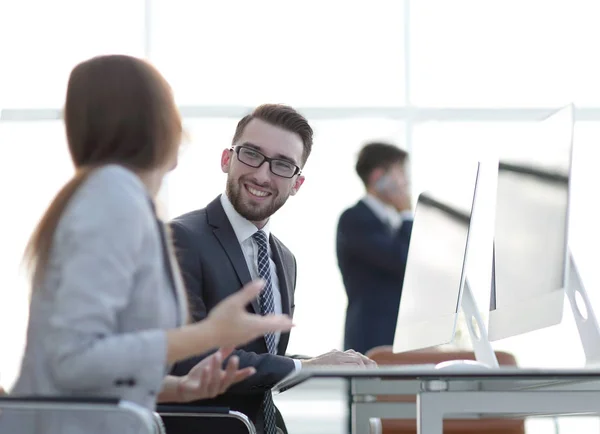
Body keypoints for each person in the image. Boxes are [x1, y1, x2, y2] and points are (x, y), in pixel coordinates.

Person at [0, 55, 293, 434]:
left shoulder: (118, 197)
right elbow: (72, 360)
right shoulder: (112, 198)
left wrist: (177, 389)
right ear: (153, 121)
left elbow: (99, 367)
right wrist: (208, 335)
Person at [167, 104, 376, 434]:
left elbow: (256, 356)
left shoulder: (284, 258)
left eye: (282, 165)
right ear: (226, 159)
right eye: (251, 154)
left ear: (297, 183)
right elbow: (186, 359)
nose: (262, 175)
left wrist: (322, 363)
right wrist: (304, 366)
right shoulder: (181, 238)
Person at [337, 142, 413, 355]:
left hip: (399, 339)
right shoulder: (355, 219)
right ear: (378, 177)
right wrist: (407, 213)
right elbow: (403, 260)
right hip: (370, 338)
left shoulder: (392, 223)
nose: (406, 182)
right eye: (401, 173)